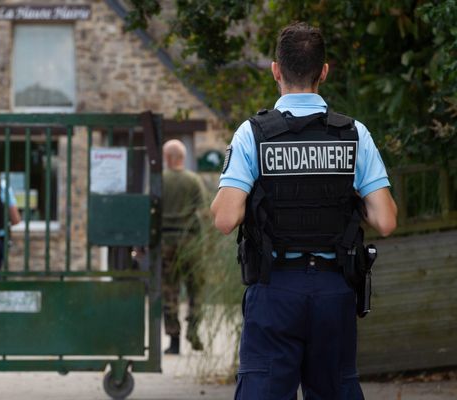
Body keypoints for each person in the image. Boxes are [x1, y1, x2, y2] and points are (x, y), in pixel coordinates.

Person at [211, 23, 398, 399]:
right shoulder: (354, 134)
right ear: (323, 71)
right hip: (333, 289)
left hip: (275, 289)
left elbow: (225, 218)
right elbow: (386, 220)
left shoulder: (253, 134)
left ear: (275, 70)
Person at [162, 139, 208, 354]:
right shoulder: (194, 180)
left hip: (166, 242)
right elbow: (205, 212)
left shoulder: (159, 180)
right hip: (191, 242)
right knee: (195, 290)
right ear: (182, 157)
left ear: (167, 157)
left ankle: (173, 340)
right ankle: (194, 330)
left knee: (169, 290)